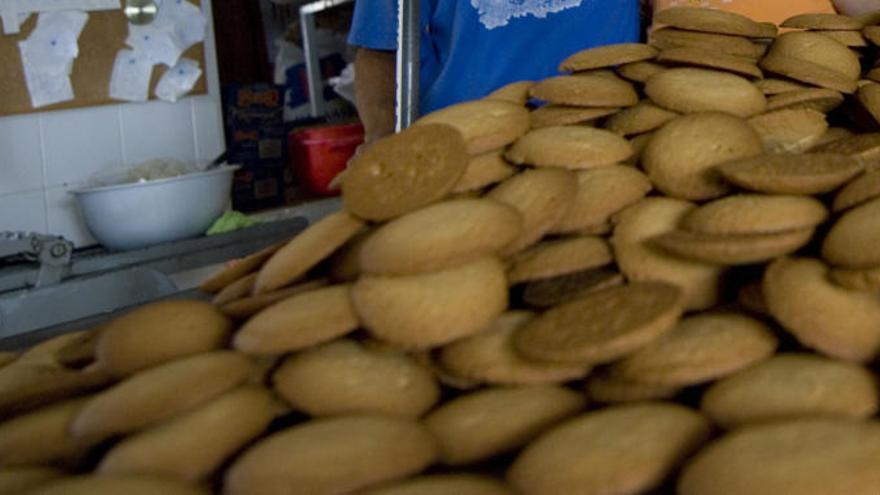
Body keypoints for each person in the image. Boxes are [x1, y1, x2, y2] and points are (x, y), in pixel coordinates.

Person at [348, 0, 644, 144]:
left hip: (604, 139)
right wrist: (382, 139)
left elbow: (667, 24)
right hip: (463, 146)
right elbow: (380, 51)